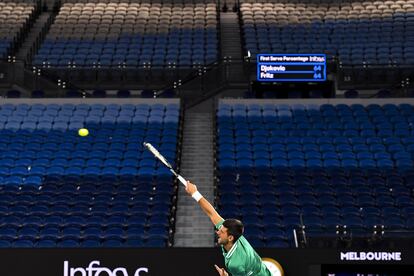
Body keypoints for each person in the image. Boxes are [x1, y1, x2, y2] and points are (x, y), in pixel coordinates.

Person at [185, 181, 272, 276]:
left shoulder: (235, 264)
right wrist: (195, 193)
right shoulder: (235, 234)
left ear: (230, 238)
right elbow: (211, 213)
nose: (217, 232)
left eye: (221, 231)